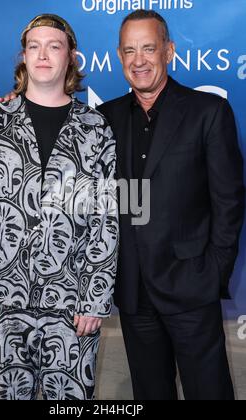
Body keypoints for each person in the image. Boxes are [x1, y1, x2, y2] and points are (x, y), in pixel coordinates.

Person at [0, 14, 118, 401]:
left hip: (72, 306)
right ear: (23, 57)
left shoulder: (95, 127)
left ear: (71, 58)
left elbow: (105, 218)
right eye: (34, 46)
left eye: (54, 46)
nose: (43, 54)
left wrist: (96, 297)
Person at [97, 9, 245, 400]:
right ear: (118, 56)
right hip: (132, 290)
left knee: (209, 391)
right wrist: (17, 97)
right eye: (130, 50)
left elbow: (228, 201)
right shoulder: (103, 119)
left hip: (191, 284)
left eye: (149, 48)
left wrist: (213, 272)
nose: (139, 60)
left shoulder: (207, 112)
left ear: (169, 51)